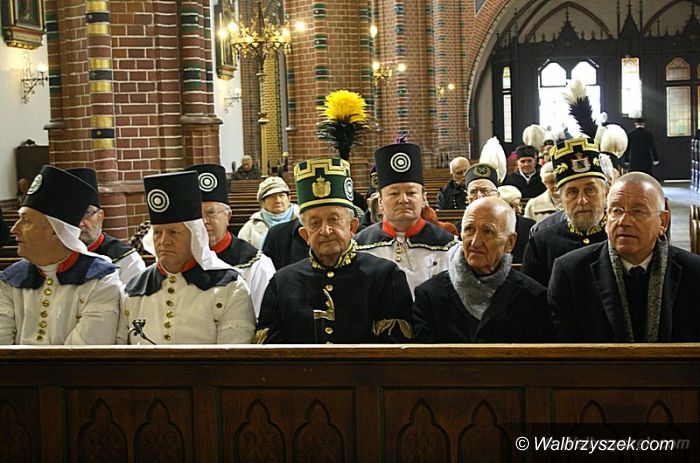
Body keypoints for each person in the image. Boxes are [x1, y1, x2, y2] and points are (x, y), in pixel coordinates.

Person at [255, 157, 414, 344]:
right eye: (315, 223)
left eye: (334, 220)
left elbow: (395, 348)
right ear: (305, 235)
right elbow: (269, 351)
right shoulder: (281, 283)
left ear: (352, 227)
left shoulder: (385, 276)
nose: (325, 230)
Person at [549, 172, 700, 342]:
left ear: (663, 222)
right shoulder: (571, 272)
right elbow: (564, 346)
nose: (624, 221)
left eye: (637, 211)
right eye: (616, 211)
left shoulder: (694, 273)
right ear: (606, 219)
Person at [118, 171, 255, 344]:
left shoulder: (229, 287)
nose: (164, 241)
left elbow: (234, 354)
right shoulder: (134, 289)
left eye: (174, 232)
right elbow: (118, 352)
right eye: (158, 233)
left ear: (195, 235)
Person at [0, 165, 121, 345]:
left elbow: (85, 353)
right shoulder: (9, 280)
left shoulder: (99, 281)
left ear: (55, 231)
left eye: (26, 221)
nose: (14, 230)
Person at [413, 197, 551, 342]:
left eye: (488, 231)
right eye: (469, 229)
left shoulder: (533, 298)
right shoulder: (429, 296)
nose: (475, 242)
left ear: (510, 242)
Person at [354, 143, 457, 294]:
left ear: (423, 198)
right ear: (380, 202)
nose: (403, 200)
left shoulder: (450, 247)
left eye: (411, 193)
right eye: (394, 193)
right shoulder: (359, 247)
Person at [185, 164, 275, 317]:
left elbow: (266, 318)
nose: (204, 221)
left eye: (211, 213)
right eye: (196, 216)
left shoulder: (255, 265)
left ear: (228, 216)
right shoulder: (180, 261)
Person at [522, 137, 609, 286]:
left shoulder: (620, 237)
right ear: (561, 197)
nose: (582, 200)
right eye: (572, 192)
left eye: (590, 190)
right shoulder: (541, 243)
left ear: (605, 192)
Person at [67, 168, 146, 285]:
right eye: (72, 216)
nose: (80, 223)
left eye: (87, 213)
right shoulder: (55, 257)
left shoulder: (126, 259)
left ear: (101, 216)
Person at [237, 176, 298, 249]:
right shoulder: (250, 228)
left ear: (289, 198)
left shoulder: (302, 219)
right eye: (271, 196)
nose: (278, 200)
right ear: (262, 202)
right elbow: (241, 252)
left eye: (281, 195)